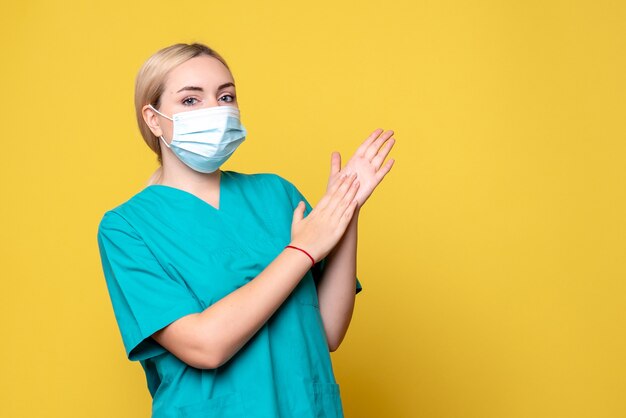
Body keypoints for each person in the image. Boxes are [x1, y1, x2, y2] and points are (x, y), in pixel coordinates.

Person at [96, 42, 395, 418]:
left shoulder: (276, 194)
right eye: (191, 100)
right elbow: (205, 346)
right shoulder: (128, 228)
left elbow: (328, 333)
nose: (216, 111)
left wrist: (344, 208)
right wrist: (301, 251)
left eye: (226, 96)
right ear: (153, 119)